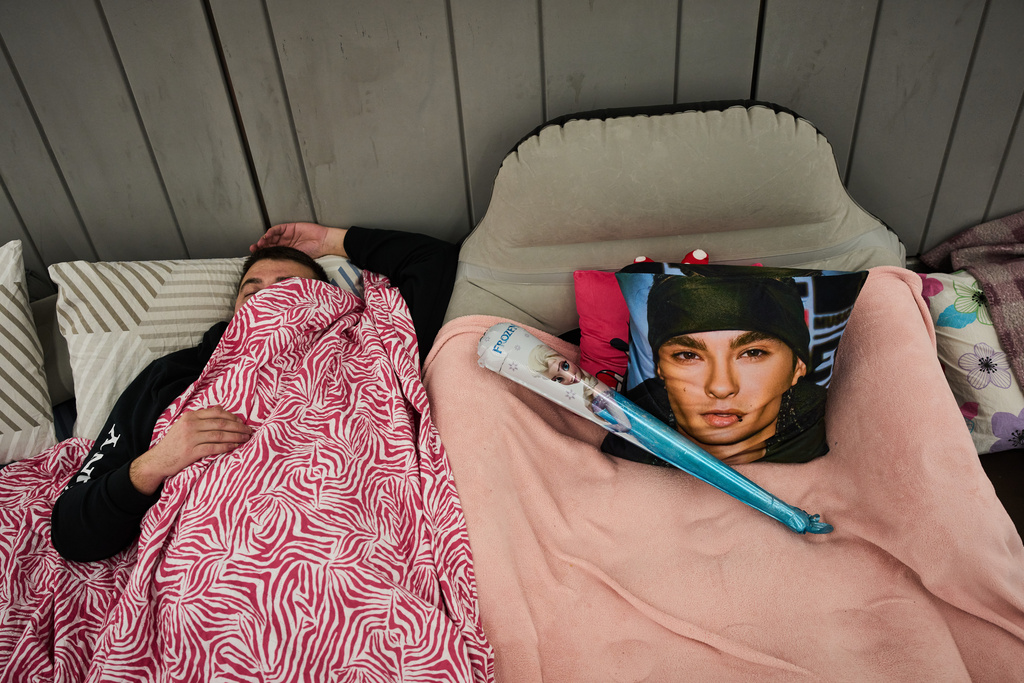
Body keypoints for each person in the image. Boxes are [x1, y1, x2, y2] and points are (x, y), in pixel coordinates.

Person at [50, 223, 460, 562]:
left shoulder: (374, 339)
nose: (269, 297)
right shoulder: (174, 376)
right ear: (236, 314)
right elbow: (72, 531)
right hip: (216, 562)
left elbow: (434, 261)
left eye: (288, 286)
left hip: (360, 539)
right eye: (253, 290)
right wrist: (156, 462)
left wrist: (331, 242)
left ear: (328, 299)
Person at [641, 272, 826, 465]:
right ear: (660, 367)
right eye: (688, 356)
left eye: (753, 353)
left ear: (798, 366)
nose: (721, 388)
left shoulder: (838, 444)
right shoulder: (619, 439)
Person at [527, 345, 631, 432]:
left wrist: (613, 428)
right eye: (559, 379)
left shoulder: (599, 393)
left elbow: (626, 426)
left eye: (565, 366)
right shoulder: (590, 394)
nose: (570, 377)